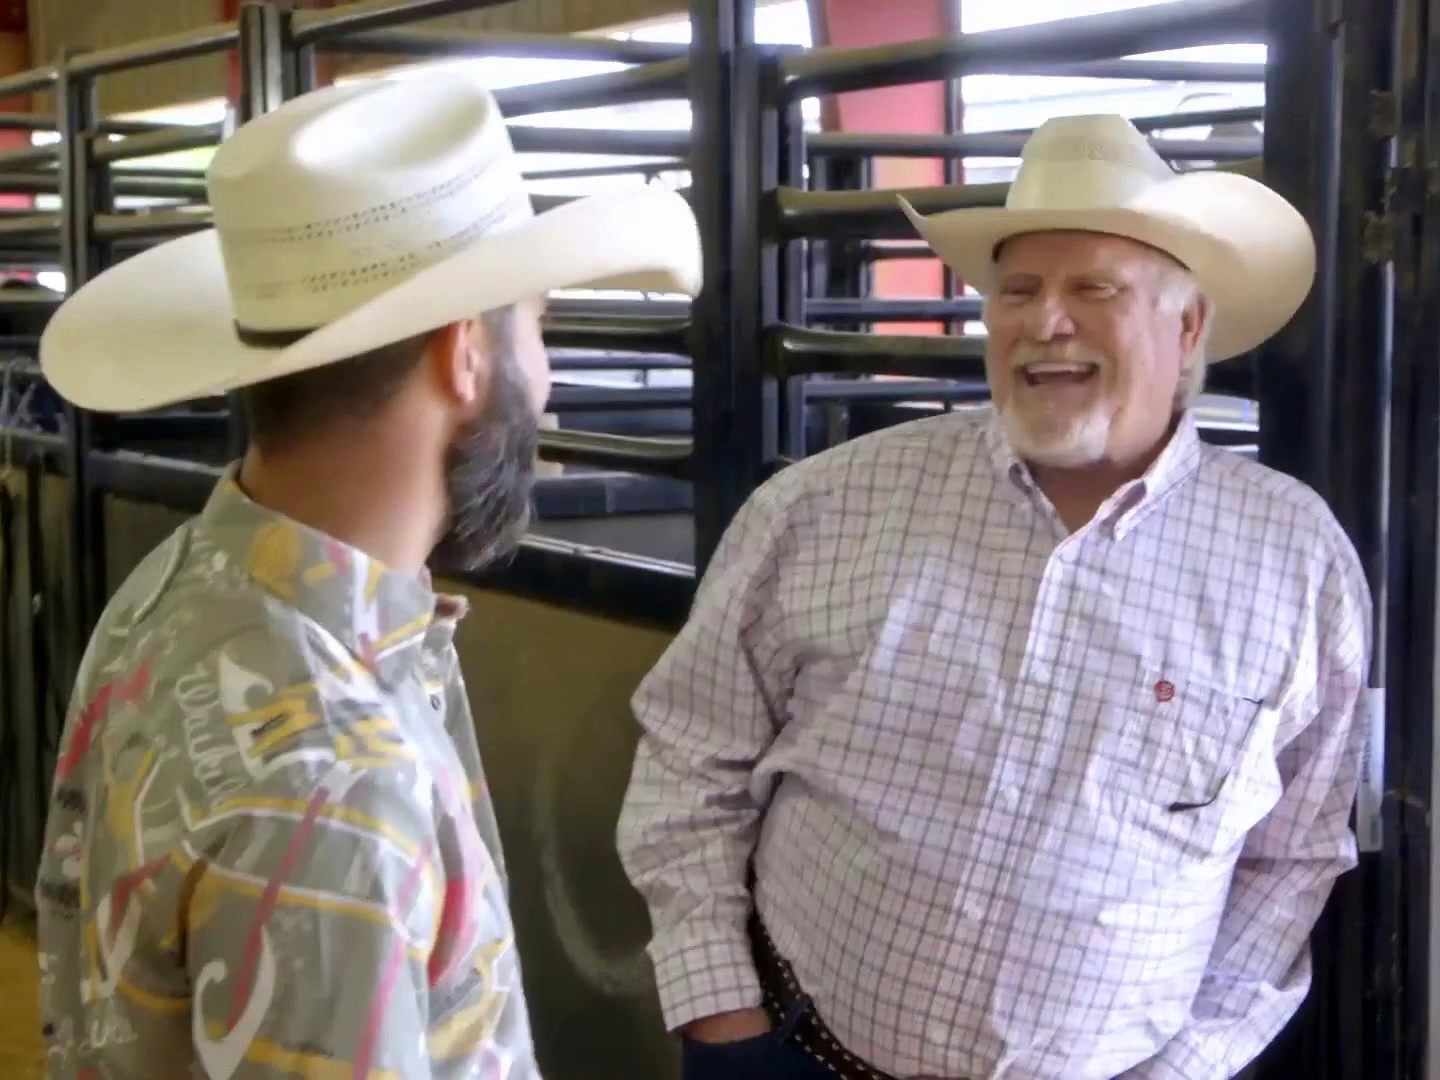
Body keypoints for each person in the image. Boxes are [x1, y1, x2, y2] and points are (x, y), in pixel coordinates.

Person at [616, 113, 1372, 1080]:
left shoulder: (1293, 560)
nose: (1043, 321)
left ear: (1187, 329)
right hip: (798, 1054)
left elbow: (1290, 857)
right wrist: (718, 1007)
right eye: (1018, 289)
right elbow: (692, 752)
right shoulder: (824, 506)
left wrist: (1185, 1067)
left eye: (1092, 288)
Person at [32, 75, 700, 1079]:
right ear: (466, 353)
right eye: (538, 327)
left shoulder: (180, 587)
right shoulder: (343, 787)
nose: (549, 378)